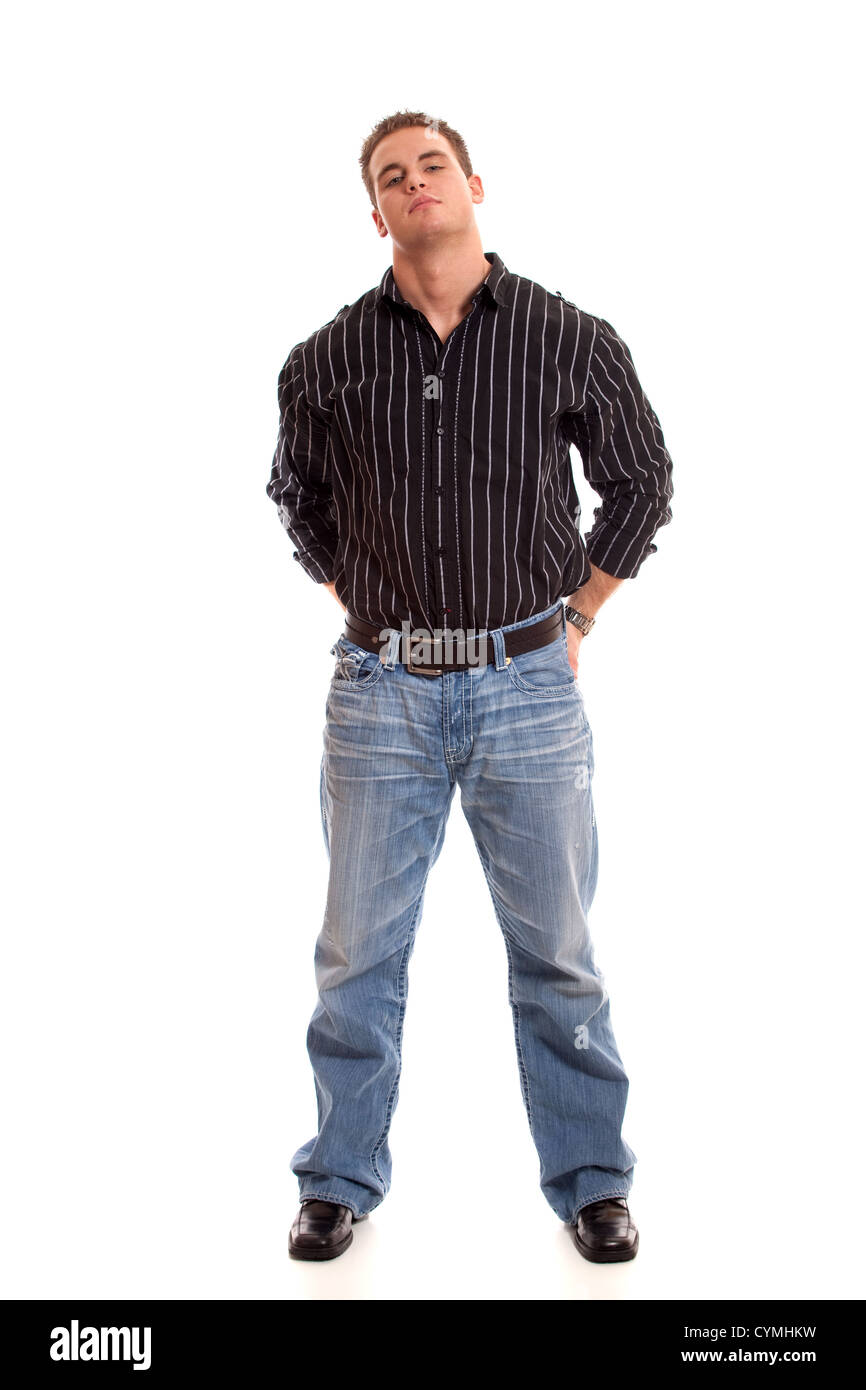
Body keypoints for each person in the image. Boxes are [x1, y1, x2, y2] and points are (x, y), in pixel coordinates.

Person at [267, 110, 673, 1264]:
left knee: (556, 951)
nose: (413, 184)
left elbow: (640, 481)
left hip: (527, 684)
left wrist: (579, 613)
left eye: (429, 164)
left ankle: (592, 1180)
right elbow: (297, 496)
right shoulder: (327, 358)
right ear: (377, 211)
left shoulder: (564, 335)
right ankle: (336, 1177)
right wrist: (359, 595)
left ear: (472, 182)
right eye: (390, 176)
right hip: (381, 693)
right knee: (356, 954)